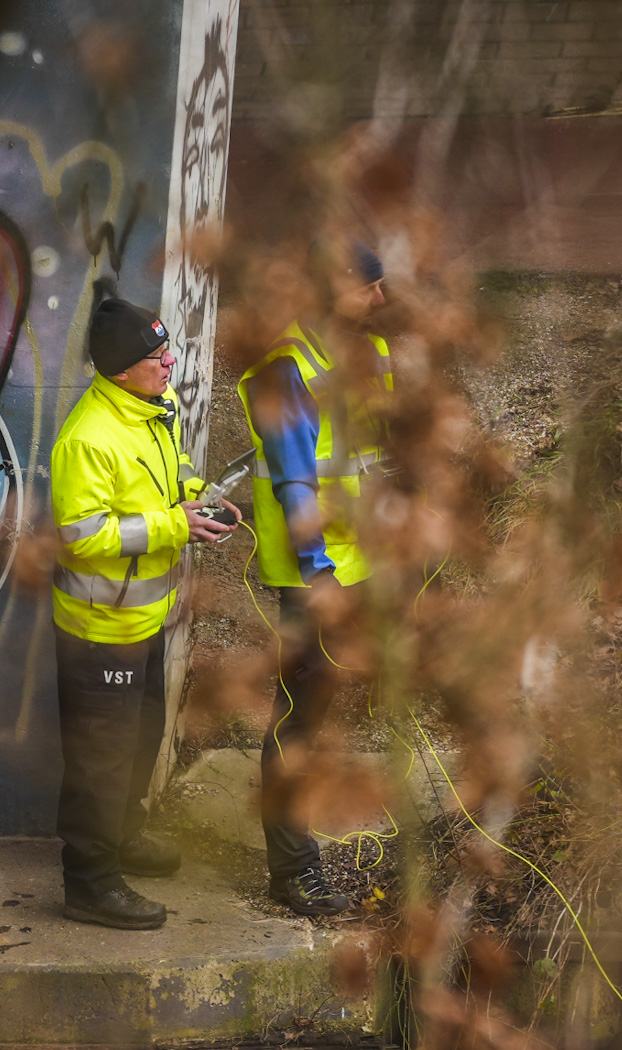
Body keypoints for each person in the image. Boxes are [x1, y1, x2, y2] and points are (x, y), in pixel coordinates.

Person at [50, 297, 237, 929]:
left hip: (145, 615)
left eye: (168, 351)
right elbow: (81, 537)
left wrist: (198, 500)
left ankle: (124, 839)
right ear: (122, 368)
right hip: (100, 628)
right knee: (101, 757)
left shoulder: (157, 411)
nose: (171, 363)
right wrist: (171, 524)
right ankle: (90, 882)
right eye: (158, 357)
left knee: (139, 740)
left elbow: (172, 472)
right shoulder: (87, 438)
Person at [236, 240, 393, 917]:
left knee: (318, 710)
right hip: (314, 577)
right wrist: (320, 572)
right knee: (296, 719)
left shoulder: (365, 359)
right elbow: (299, 482)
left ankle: (301, 843)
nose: (380, 299)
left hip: (354, 567)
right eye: (369, 286)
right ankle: (292, 870)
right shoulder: (285, 372)